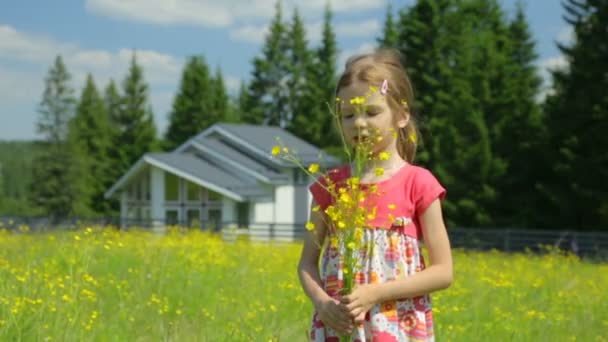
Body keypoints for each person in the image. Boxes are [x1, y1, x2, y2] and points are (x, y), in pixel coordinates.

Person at [297, 48, 453, 341]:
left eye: (371, 111)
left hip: (397, 327)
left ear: (402, 115)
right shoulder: (329, 187)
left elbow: (443, 272)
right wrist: (322, 303)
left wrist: (376, 293)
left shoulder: (418, 183)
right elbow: (306, 263)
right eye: (348, 115)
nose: (358, 123)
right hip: (339, 326)